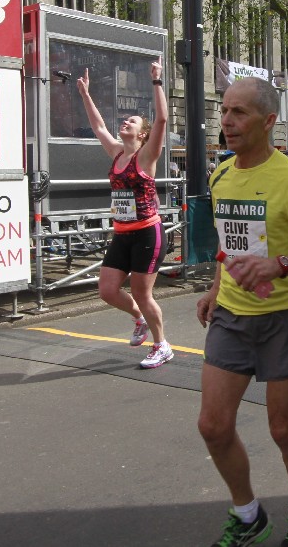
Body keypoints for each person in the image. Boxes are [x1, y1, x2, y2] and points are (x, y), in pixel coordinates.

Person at [197, 76, 288, 547]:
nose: (227, 121)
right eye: (224, 110)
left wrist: (279, 265)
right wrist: (215, 288)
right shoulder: (220, 176)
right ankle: (248, 516)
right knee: (213, 426)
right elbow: (228, 245)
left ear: (269, 121)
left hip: (285, 317)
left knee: (283, 429)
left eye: (239, 112)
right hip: (231, 316)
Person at [76, 59, 172, 369]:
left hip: (147, 233)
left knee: (143, 293)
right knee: (107, 290)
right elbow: (98, 127)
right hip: (122, 233)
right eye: (126, 119)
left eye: (132, 121)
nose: (125, 122)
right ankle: (139, 318)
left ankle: (162, 345)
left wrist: (157, 81)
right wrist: (85, 94)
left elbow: (161, 120)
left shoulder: (147, 156)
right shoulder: (117, 152)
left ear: (142, 135)